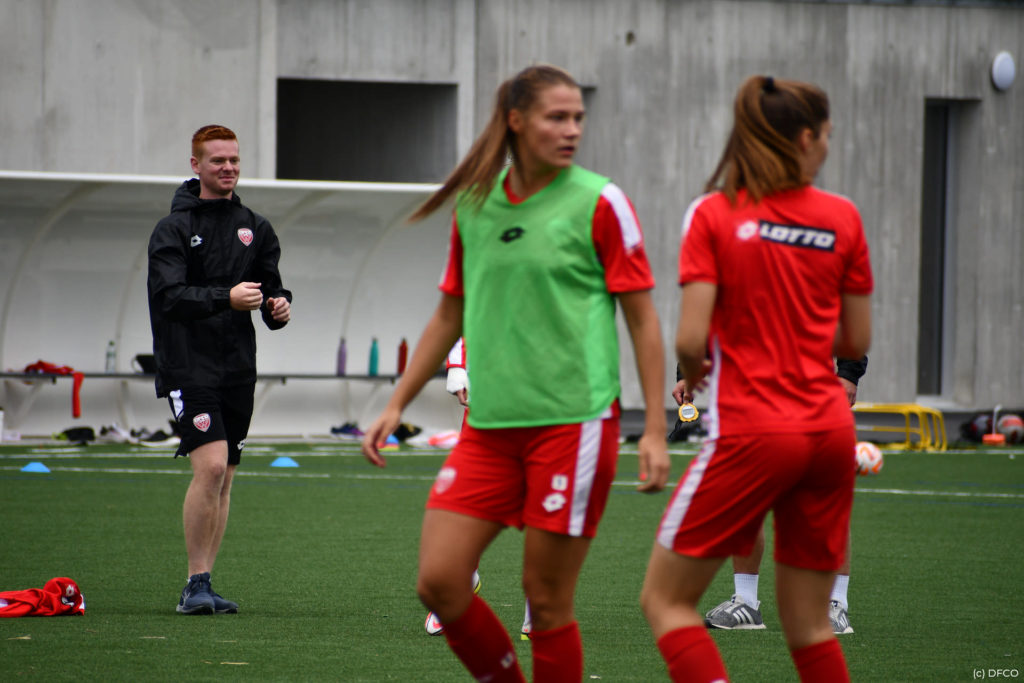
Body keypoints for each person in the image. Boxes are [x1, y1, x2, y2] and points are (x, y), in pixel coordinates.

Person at [361, 64, 670, 682]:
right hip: (491, 428)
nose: (573, 129)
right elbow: (449, 313)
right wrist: (396, 402)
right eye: (558, 117)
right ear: (516, 121)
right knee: (439, 582)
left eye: (578, 117)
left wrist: (657, 428)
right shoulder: (476, 204)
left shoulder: (602, 201)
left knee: (546, 601)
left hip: (573, 425)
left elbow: (643, 320)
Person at [640, 75, 872, 683]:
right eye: (828, 135)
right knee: (812, 627)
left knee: (664, 600)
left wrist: (698, 370)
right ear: (804, 139)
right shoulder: (843, 217)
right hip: (828, 432)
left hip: (755, 429)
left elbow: (691, 338)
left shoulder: (714, 212)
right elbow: (855, 340)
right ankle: (760, 605)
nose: (829, 146)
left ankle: (744, 605)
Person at [147, 124, 292, 615]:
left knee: (225, 477)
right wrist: (225, 298)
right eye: (217, 161)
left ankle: (205, 581)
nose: (228, 168)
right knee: (209, 467)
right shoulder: (173, 229)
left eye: (233, 160)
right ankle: (193, 582)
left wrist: (278, 307)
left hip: (237, 368)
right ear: (196, 166)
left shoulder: (256, 226)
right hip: (188, 365)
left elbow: (271, 288)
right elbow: (169, 297)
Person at [679, 357, 866, 635]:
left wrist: (848, 374)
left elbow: (849, 330)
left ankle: (834, 603)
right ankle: (746, 602)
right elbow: (709, 330)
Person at [424, 338, 533, 641]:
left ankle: (537, 615)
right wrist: (457, 368)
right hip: (486, 403)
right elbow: (459, 318)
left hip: (544, 404)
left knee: (542, 509)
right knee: (465, 504)